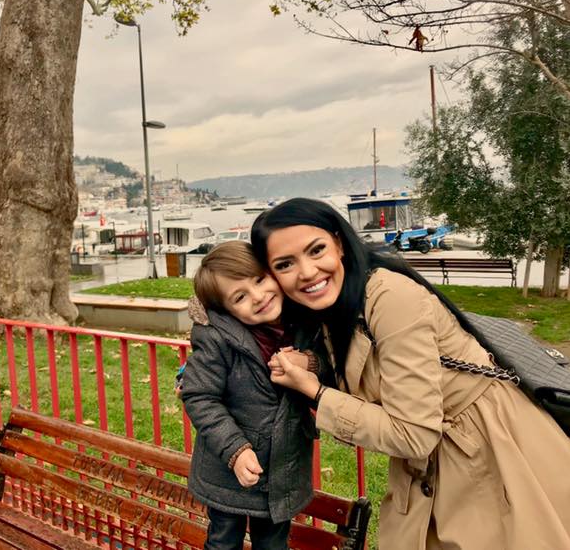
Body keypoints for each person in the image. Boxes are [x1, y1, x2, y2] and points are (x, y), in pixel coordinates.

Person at [250, 197, 570, 550]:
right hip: (440, 458)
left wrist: (316, 393)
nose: (307, 272)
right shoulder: (336, 310)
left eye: (316, 250)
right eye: (285, 264)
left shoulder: (389, 297)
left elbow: (414, 435)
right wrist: (312, 364)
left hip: (495, 455)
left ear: (339, 244)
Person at [180, 241, 316, 550]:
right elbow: (200, 396)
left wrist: (309, 362)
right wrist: (236, 450)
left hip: (281, 470)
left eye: (259, 279)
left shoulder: (303, 322)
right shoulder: (216, 339)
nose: (258, 296)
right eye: (240, 297)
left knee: (273, 543)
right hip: (228, 473)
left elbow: (329, 363)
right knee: (224, 540)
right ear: (226, 310)